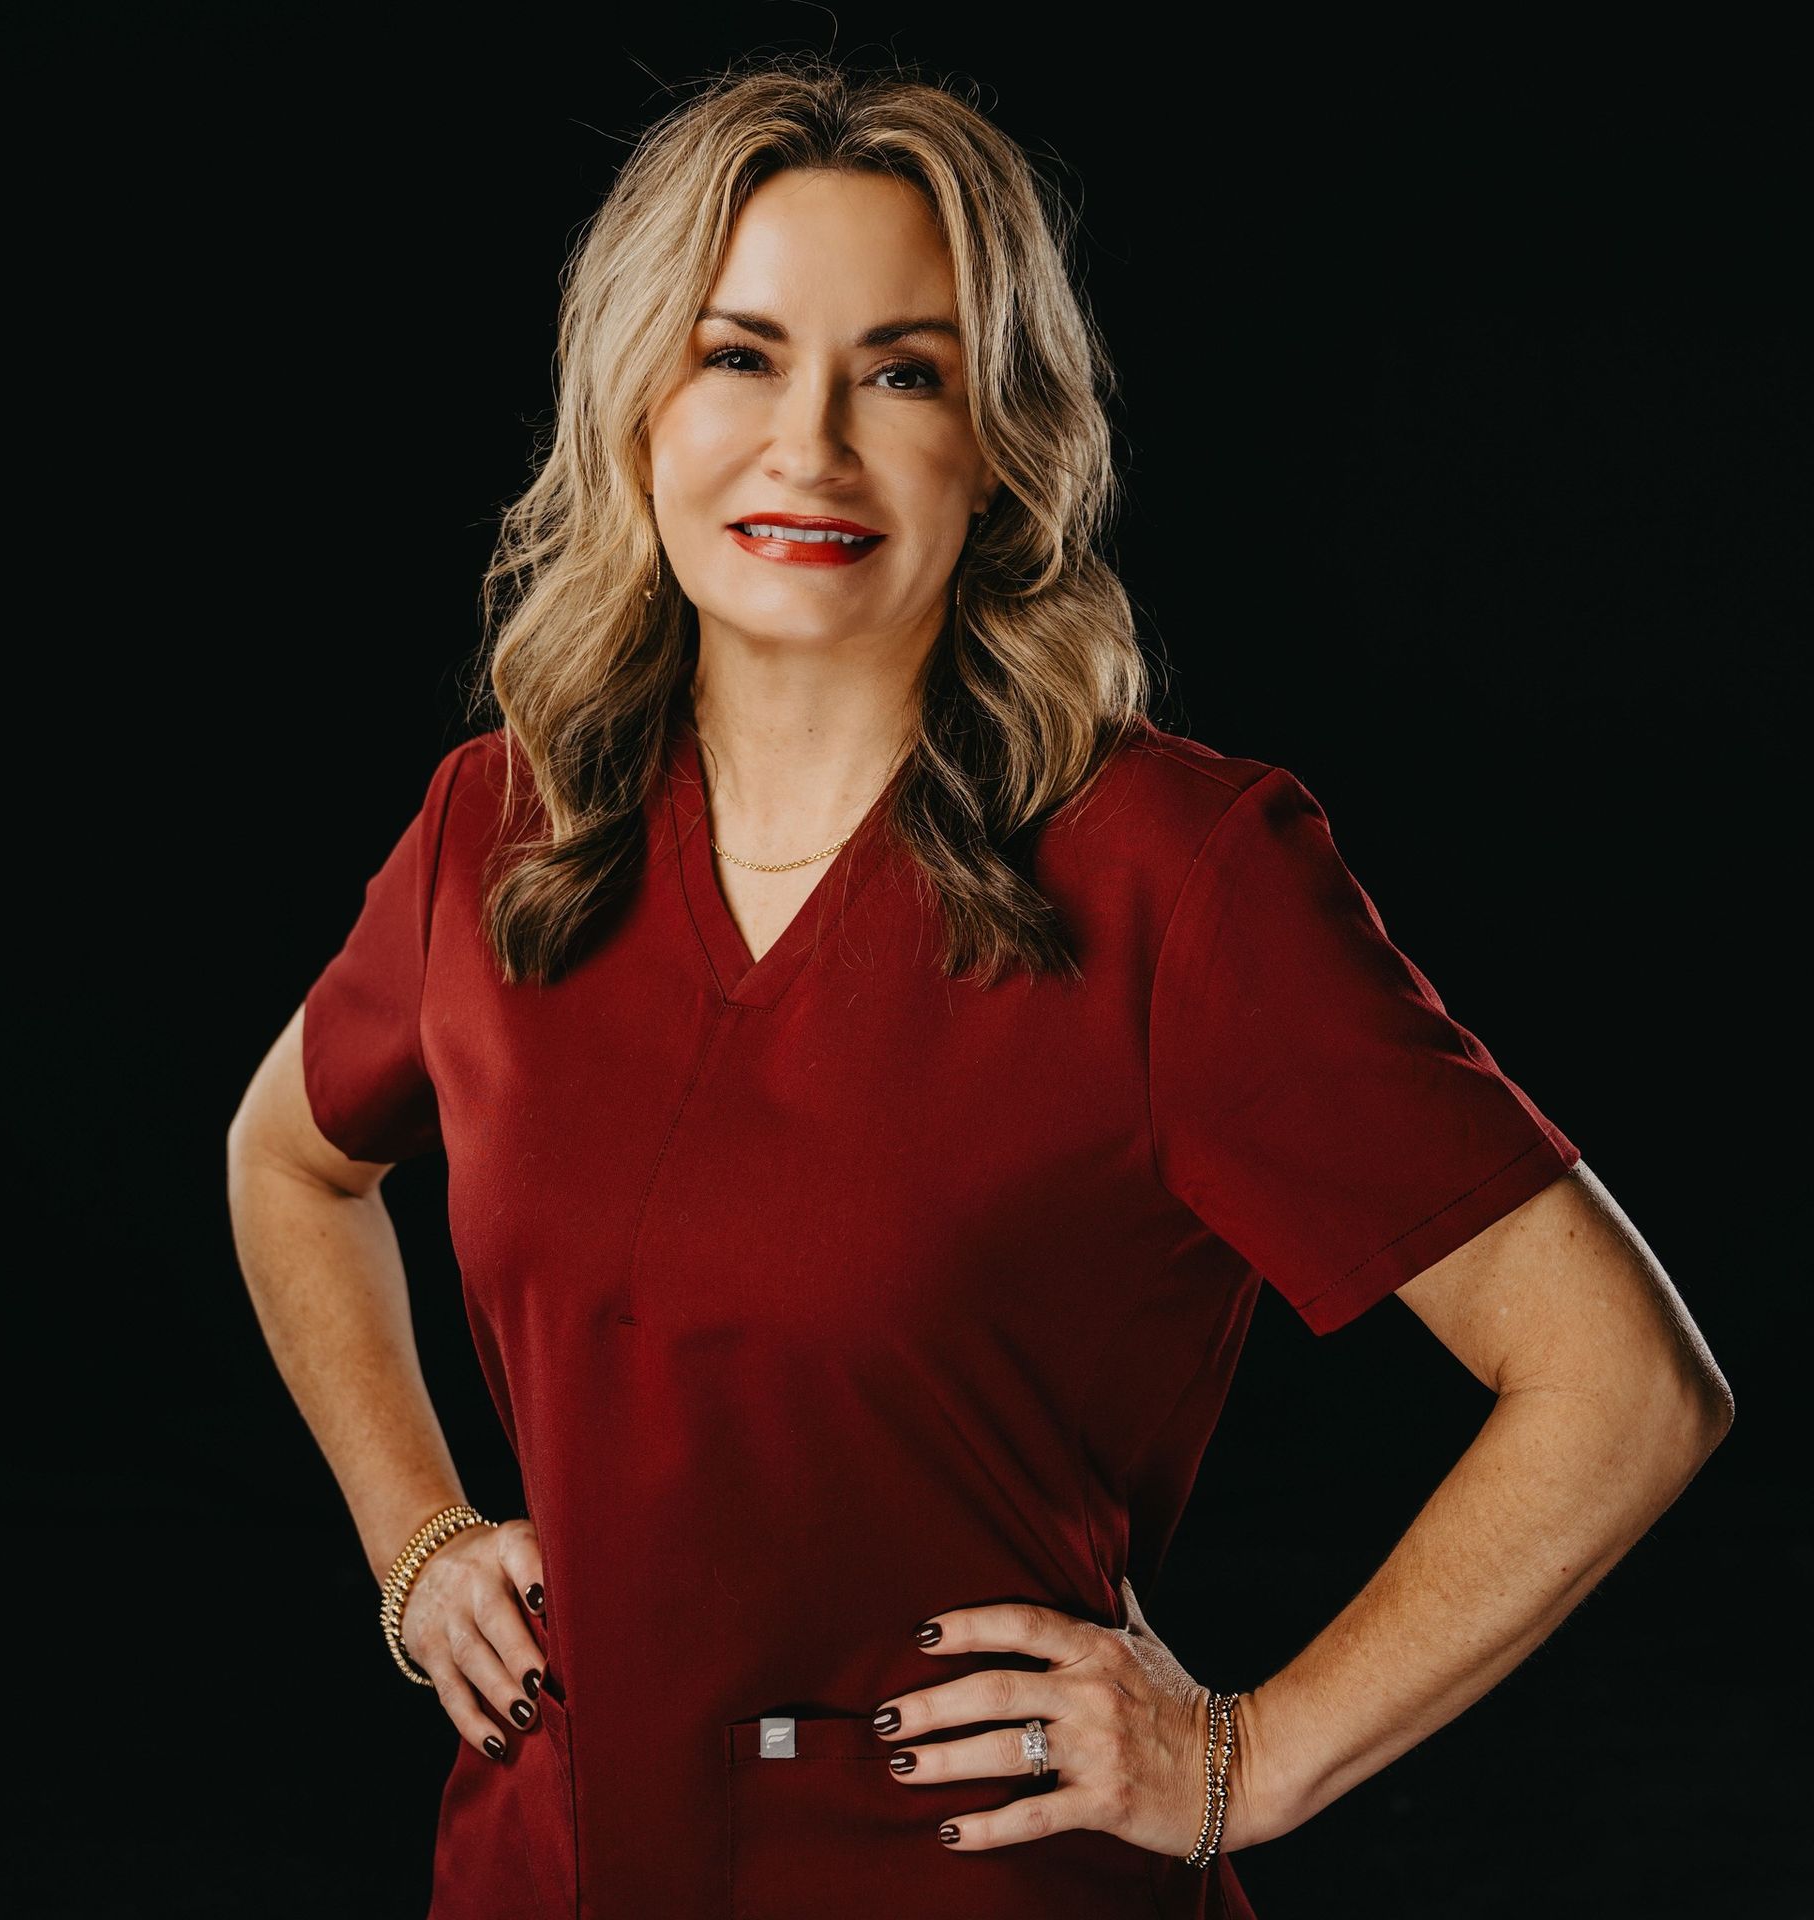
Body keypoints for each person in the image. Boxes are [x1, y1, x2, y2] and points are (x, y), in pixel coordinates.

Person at [226, 54, 1735, 1920]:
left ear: (1000, 442)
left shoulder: (1181, 882)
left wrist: (1244, 1762)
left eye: (905, 372)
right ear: (633, 406)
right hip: (546, 1873)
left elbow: (1624, 1385)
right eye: (739, 353)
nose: (812, 448)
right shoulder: (501, 832)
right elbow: (287, 1163)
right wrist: (416, 1536)